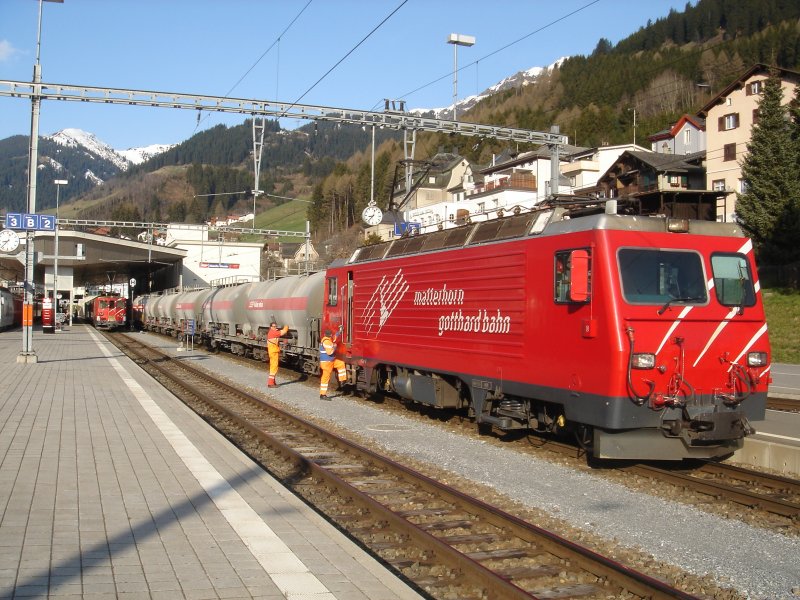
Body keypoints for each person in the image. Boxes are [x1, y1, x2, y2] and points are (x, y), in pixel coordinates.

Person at [319, 326, 346, 400]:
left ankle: (342, 380)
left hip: (331, 361)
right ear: (330, 335)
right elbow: (330, 352)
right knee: (325, 378)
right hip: (327, 363)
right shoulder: (326, 342)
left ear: (325, 334)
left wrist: (339, 331)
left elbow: (334, 338)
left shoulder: (328, 340)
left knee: (341, 364)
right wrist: (334, 347)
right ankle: (323, 394)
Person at [266, 321, 288, 387]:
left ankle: (273, 382)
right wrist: (287, 326)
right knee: (274, 367)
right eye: (273, 326)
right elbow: (283, 332)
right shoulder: (273, 332)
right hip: (273, 352)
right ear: (271, 327)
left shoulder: (271, 332)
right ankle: (270, 383)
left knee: (273, 366)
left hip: (273, 351)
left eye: (276, 326)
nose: (275, 327)